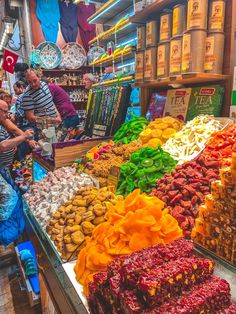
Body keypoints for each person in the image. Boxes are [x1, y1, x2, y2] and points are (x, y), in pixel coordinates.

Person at [0, 100, 35, 171]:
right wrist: (24, 136)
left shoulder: (2, 121)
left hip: (5, 167)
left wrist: (13, 144)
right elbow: (3, 146)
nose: (7, 115)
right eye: (5, 111)